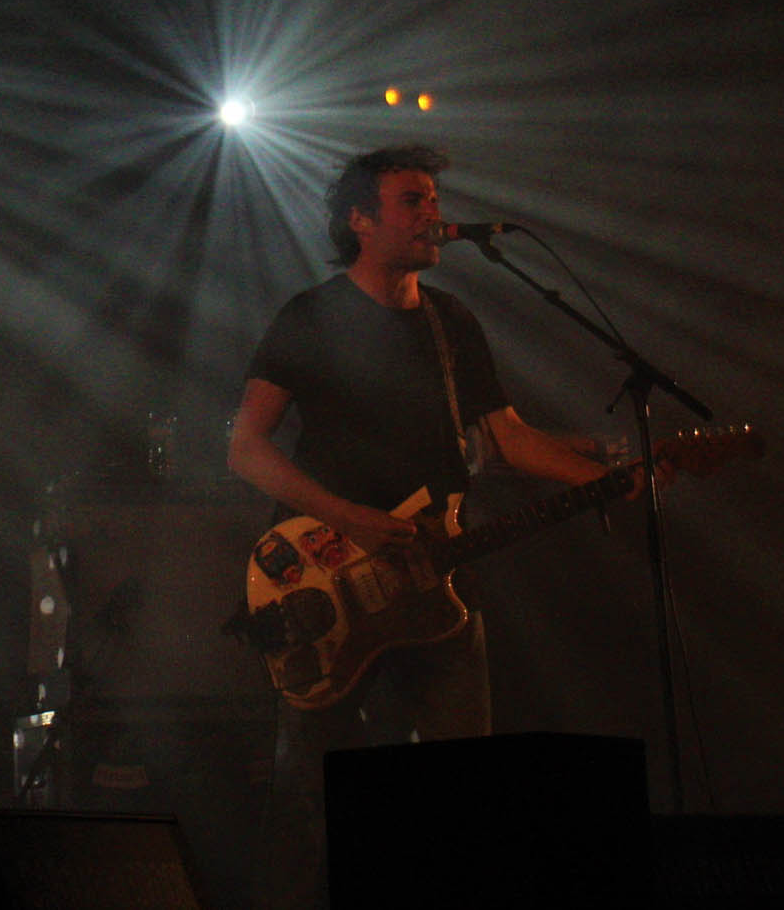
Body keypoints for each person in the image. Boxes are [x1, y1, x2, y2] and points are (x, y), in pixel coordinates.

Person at [226, 145, 618, 908]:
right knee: (309, 799)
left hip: (437, 589)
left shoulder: (452, 322)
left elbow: (510, 437)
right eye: (413, 200)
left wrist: (609, 478)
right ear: (360, 221)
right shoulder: (310, 317)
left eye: (434, 198)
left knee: (462, 797)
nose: (433, 213)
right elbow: (245, 447)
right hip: (328, 582)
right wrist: (349, 518)